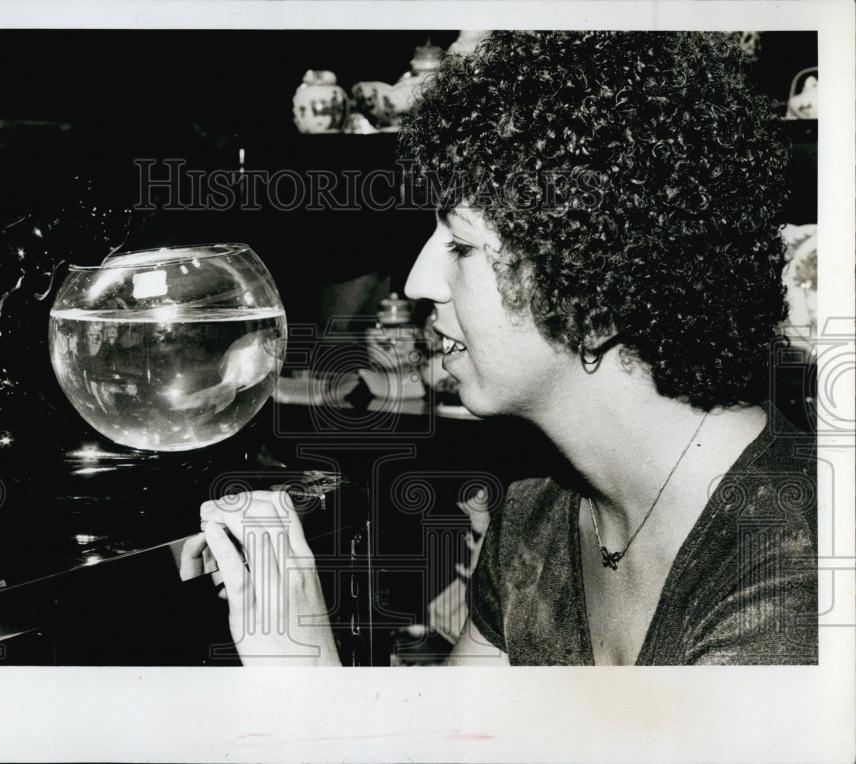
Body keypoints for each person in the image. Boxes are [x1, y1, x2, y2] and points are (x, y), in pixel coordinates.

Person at [199, 31, 817, 666]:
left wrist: (306, 688)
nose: (416, 282)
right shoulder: (534, 519)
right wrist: (297, 637)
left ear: (597, 290)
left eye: (461, 246)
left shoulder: (792, 572)